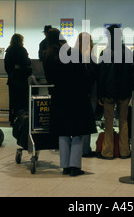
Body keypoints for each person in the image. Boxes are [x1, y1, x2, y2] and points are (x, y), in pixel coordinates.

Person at [42, 29, 96, 176]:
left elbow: (49, 79)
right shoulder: (72, 52)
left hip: (59, 96)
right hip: (77, 96)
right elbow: (83, 76)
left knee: (63, 132)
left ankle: (65, 166)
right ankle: (75, 166)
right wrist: (87, 91)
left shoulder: (48, 56)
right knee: (77, 131)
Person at [97, 24, 134, 159]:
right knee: (123, 121)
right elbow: (132, 74)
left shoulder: (105, 53)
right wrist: (130, 91)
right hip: (124, 93)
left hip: (108, 92)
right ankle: (125, 151)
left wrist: (100, 94)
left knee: (108, 122)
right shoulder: (128, 53)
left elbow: (101, 75)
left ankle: (107, 152)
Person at [4, 33, 32, 126]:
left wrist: (11, 73)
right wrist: (28, 58)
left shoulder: (8, 50)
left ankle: (12, 120)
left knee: (13, 101)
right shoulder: (22, 50)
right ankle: (21, 120)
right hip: (22, 80)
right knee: (22, 101)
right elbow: (26, 62)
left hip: (12, 80)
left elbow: (6, 66)